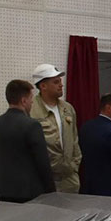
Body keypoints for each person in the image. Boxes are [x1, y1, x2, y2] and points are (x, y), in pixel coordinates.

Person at [0, 79, 56, 203]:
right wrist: (51, 191)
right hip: (29, 191)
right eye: (31, 99)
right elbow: (42, 162)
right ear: (23, 101)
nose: (32, 102)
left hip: (4, 190)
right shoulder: (32, 125)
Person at [27, 63, 81, 194]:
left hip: (69, 179)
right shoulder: (31, 110)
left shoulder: (68, 108)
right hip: (42, 179)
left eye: (60, 81)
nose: (61, 85)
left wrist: (74, 165)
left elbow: (74, 139)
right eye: (56, 82)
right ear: (43, 86)